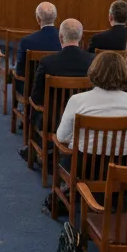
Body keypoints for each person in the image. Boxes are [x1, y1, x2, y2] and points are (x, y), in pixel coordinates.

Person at [20, 19, 94, 159]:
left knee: (34, 109)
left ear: (60, 37)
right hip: (83, 118)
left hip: (52, 121)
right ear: (81, 37)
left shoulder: (47, 62)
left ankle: (35, 149)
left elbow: (36, 97)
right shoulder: (93, 61)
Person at [55, 52, 127, 153]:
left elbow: (62, 137)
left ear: (94, 71)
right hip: (124, 160)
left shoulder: (76, 100)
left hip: (85, 159)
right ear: (124, 73)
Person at [15, 2, 60, 77]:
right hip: (56, 83)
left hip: (31, 83)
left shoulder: (26, 41)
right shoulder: (65, 41)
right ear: (55, 18)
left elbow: (20, 72)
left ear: (38, 19)